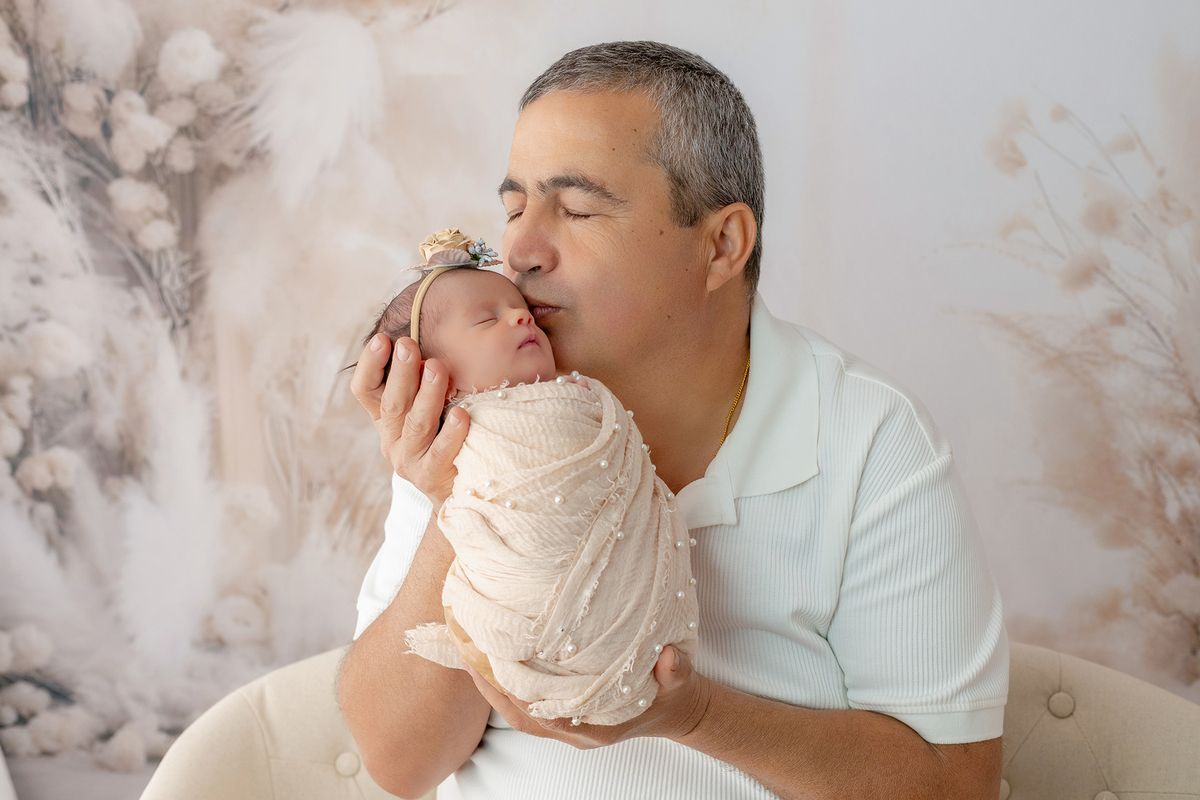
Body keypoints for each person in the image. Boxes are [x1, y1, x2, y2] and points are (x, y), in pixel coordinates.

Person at [339, 41, 1008, 800]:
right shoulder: (480, 410)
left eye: (579, 208)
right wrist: (453, 502)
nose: (519, 249)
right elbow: (399, 764)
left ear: (722, 245)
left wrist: (689, 714)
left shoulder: (871, 443)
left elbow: (955, 786)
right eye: (515, 207)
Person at [364, 235, 699, 726]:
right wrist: (444, 496)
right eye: (486, 319)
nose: (522, 316)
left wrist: (699, 716)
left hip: (655, 646)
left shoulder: (582, 397)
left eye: (520, 309)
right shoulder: (440, 455)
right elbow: (392, 761)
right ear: (436, 378)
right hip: (547, 631)